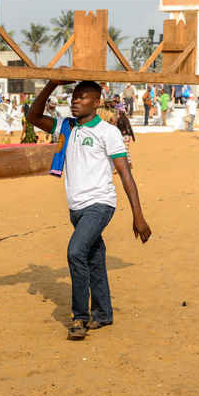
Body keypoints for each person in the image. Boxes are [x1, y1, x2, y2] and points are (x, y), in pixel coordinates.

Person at [26, 77, 151, 339]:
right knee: (94, 257)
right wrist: (52, 84)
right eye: (74, 96)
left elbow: (125, 174)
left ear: (96, 103)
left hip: (100, 203)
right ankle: (104, 314)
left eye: (82, 97)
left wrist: (138, 215)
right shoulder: (66, 127)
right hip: (76, 207)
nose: (75, 100)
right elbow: (33, 116)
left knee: (75, 252)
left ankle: (81, 318)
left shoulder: (108, 132)